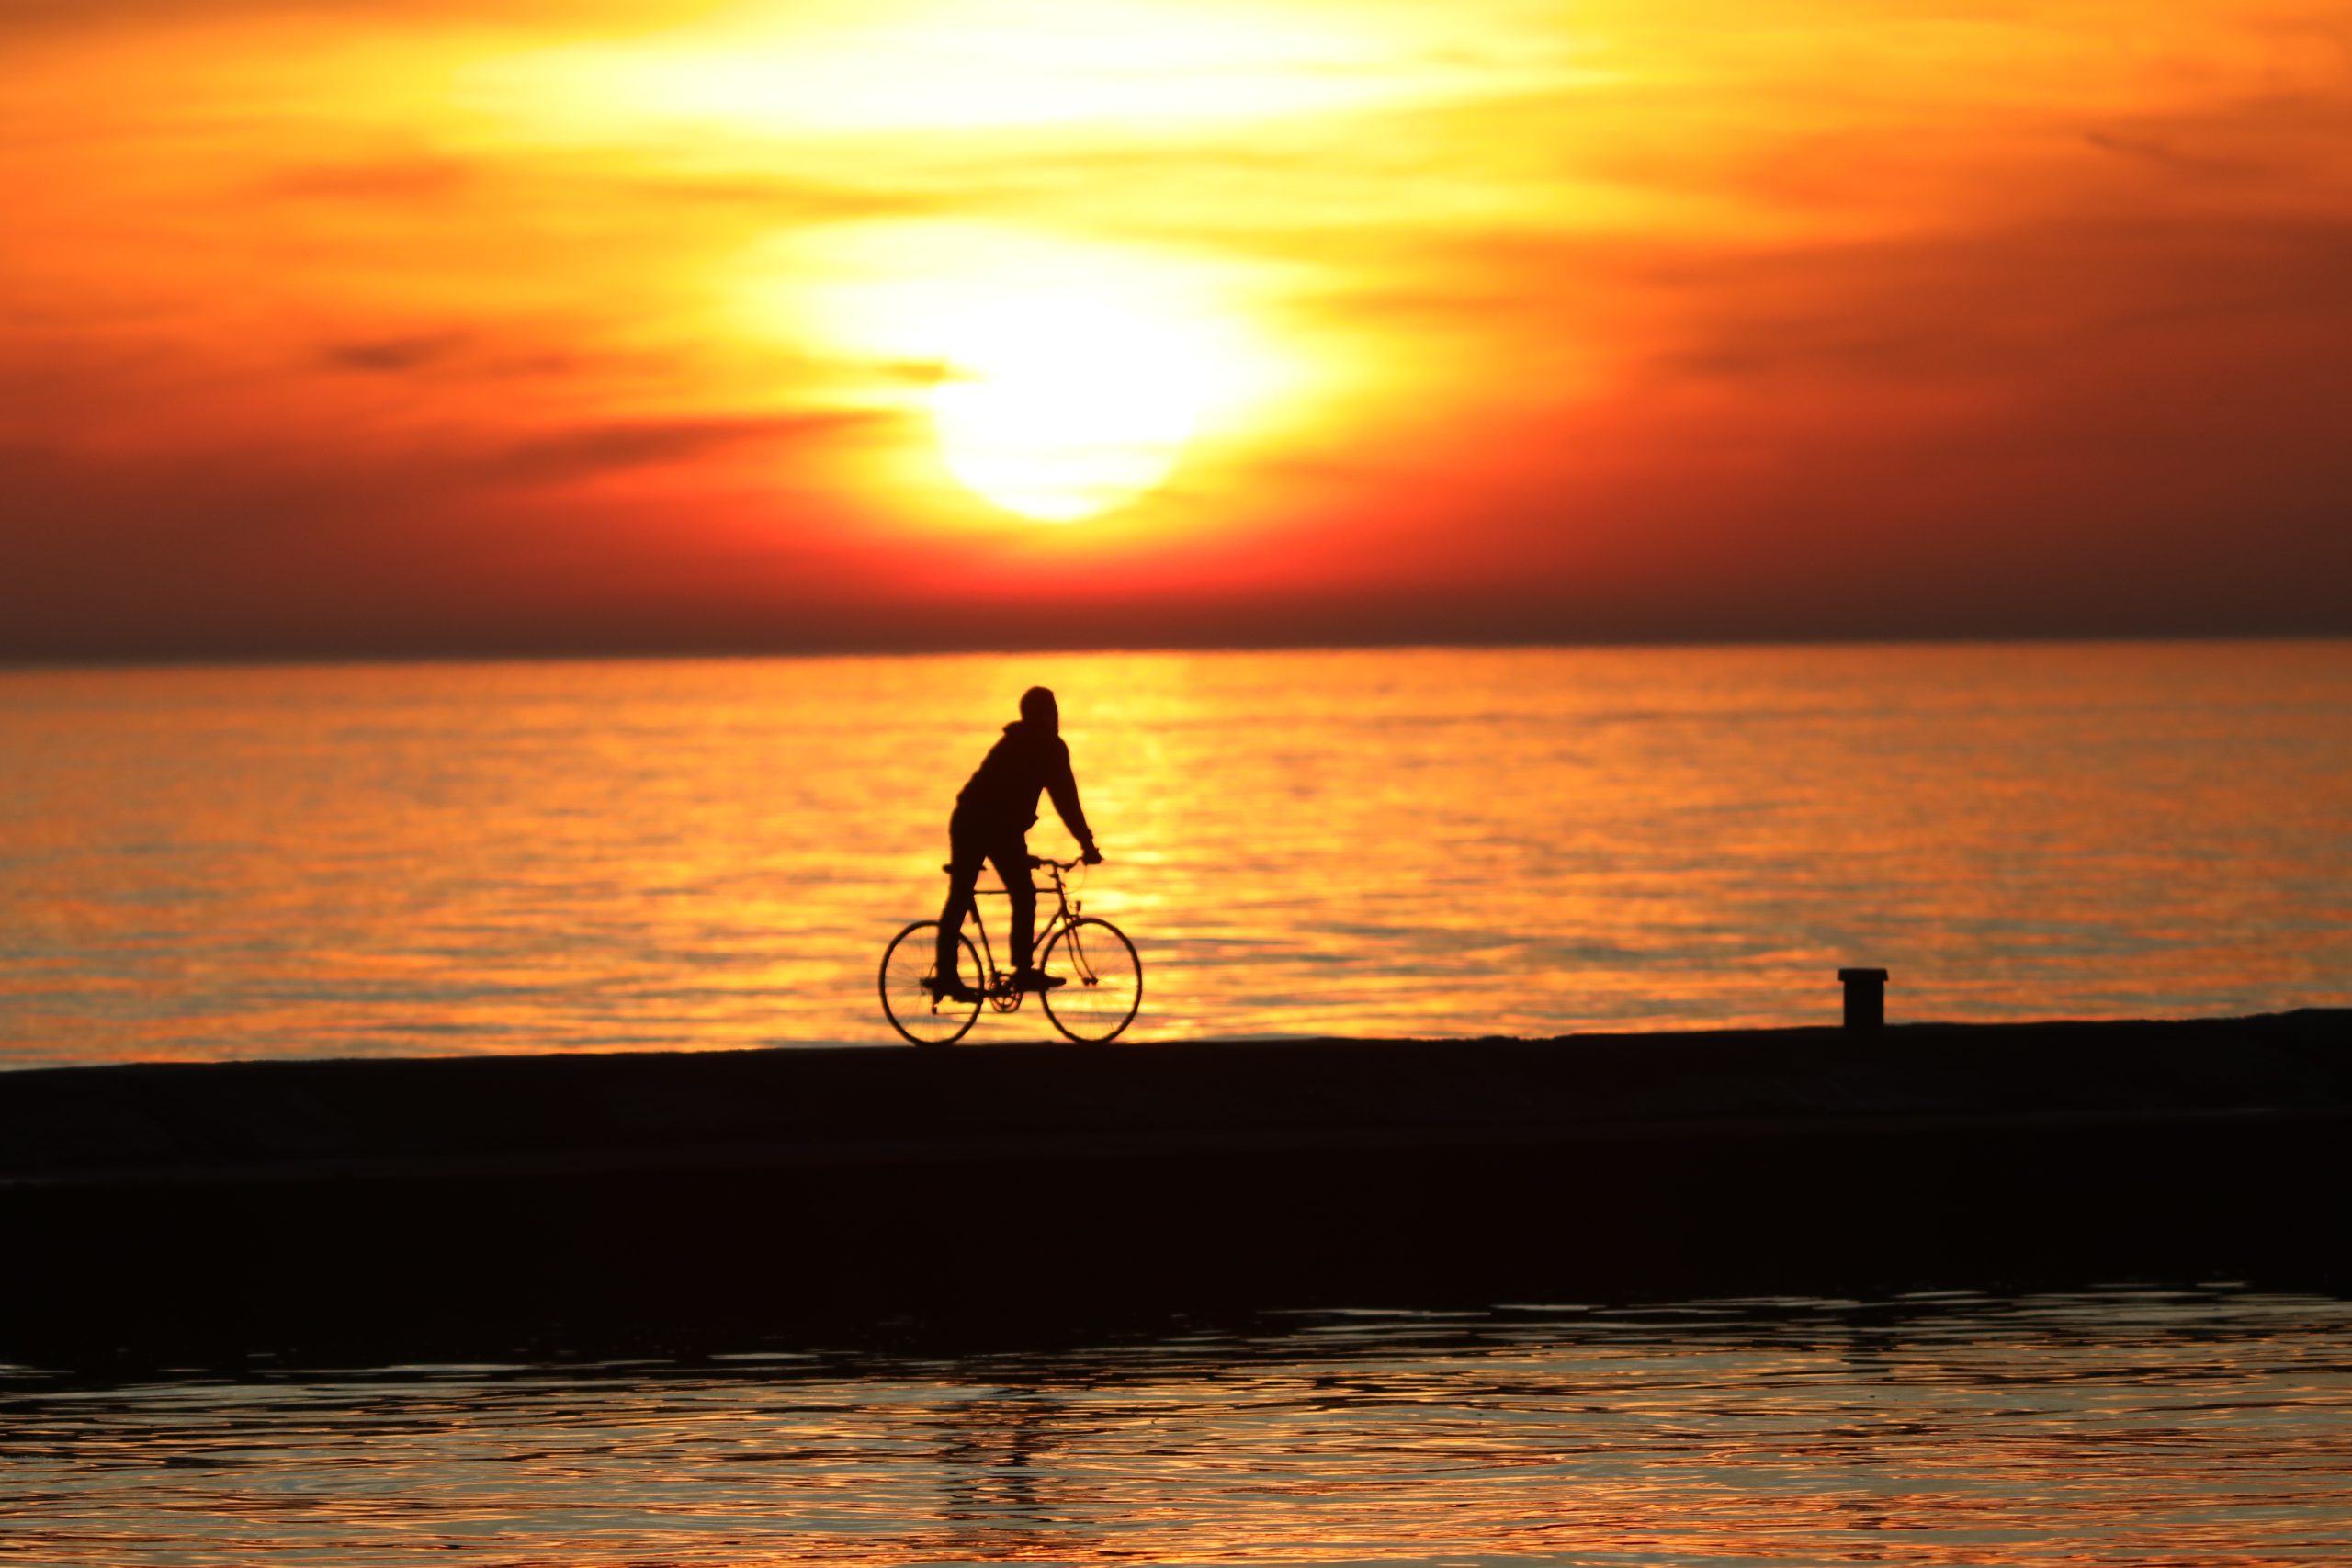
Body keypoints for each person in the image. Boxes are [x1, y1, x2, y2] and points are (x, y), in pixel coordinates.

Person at [933, 686, 1103, 1003]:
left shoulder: (1036, 744)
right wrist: (1087, 845)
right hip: (978, 823)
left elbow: (1061, 799)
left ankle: (1010, 970)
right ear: (1038, 716)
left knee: (1010, 893)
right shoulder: (1039, 748)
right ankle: (957, 975)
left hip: (995, 825)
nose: (1055, 718)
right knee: (989, 893)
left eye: (1056, 711)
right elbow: (1065, 801)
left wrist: (1023, 851)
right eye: (1050, 713)